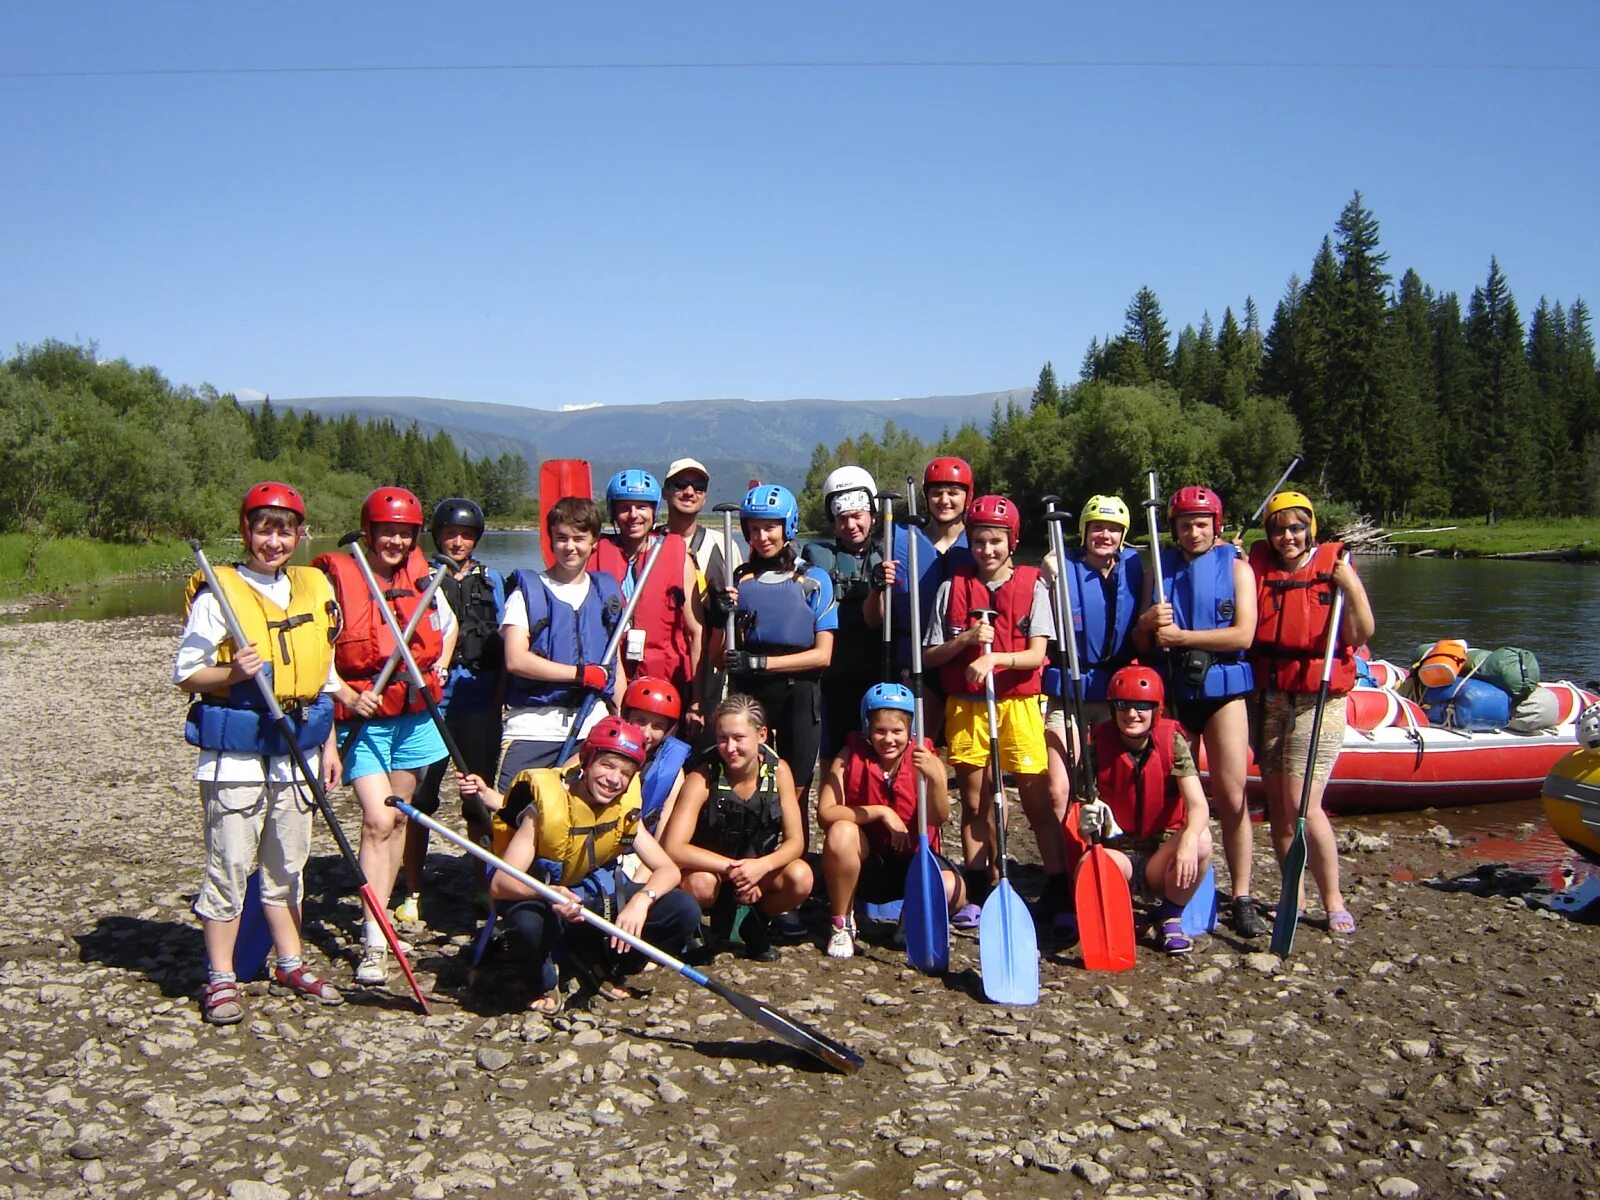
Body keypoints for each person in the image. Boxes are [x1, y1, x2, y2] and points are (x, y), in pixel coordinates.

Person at [176, 482, 349, 1024]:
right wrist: (234, 672)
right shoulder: (217, 595)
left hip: (296, 748)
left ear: (301, 535)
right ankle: (222, 976)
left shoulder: (312, 589)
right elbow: (187, 674)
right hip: (238, 756)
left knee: (288, 865)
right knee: (229, 865)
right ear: (247, 531)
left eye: (285, 531)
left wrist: (329, 743)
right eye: (264, 529)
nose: (274, 542)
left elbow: (324, 675)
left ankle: (289, 960)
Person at [458, 717, 700, 1012]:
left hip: (590, 899)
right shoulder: (545, 811)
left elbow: (668, 870)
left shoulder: (623, 808)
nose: (614, 779)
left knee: (683, 909)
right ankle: (540, 977)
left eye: (625, 773)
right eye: (607, 766)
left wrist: (641, 900)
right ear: (587, 762)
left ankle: (601, 960)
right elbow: (501, 883)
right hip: (545, 899)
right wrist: (549, 893)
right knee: (527, 925)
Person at [314, 486, 456, 985]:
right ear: (369, 531)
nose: (395, 541)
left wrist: (434, 666)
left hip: (413, 716)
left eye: (404, 533)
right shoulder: (336, 579)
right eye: (387, 531)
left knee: (398, 820)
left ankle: (384, 913)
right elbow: (319, 653)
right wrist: (347, 696)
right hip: (363, 716)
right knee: (377, 820)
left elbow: (447, 626)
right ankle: (374, 940)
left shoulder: (421, 577)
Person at [921, 494, 1061, 930]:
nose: (987, 550)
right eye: (980, 541)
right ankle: (982, 884)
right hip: (968, 706)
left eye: (996, 541)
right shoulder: (952, 588)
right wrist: (964, 643)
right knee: (977, 803)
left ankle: (1058, 886)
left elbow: (1037, 654)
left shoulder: (1031, 586)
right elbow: (930, 656)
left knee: (1037, 801)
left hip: (1017, 705)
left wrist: (995, 658)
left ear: (1012, 542)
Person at [1134, 486, 1264, 936]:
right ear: (1174, 528)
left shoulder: (1239, 568)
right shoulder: (1159, 569)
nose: (1193, 532)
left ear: (1216, 526)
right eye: (1185, 524)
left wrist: (1184, 639)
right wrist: (1149, 625)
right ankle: (1175, 884)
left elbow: (1243, 635)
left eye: (1201, 524)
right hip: (1175, 695)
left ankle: (1242, 892)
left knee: (1231, 797)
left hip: (1223, 692)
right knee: (1177, 800)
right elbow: (1140, 640)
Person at [1248, 491, 1375, 937]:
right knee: (1280, 808)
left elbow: (1360, 632)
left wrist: (1351, 585)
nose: (1287, 537)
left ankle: (1333, 899)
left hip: (1319, 699)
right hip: (1270, 695)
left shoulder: (1336, 567)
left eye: (1296, 528)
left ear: (1310, 530)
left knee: (1304, 804)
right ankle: (1293, 894)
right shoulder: (1259, 566)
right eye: (1280, 529)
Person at [400, 497, 506, 924]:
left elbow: (504, 637)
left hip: (479, 697)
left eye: (465, 535)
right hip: (431, 699)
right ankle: (412, 888)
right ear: (436, 535)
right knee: (421, 795)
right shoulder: (418, 577)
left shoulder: (492, 579)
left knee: (477, 795)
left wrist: (501, 694)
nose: (457, 541)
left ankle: (484, 884)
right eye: (449, 533)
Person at [1040, 493, 1144, 908]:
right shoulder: (1058, 568)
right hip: (1070, 692)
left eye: (1113, 529)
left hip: (1115, 695)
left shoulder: (1137, 569)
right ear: (1083, 532)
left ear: (1123, 535)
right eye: (1097, 527)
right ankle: (1063, 876)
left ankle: (1107, 865)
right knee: (1058, 790)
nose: (1104, 535)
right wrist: (1047, 577)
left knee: (1103, 788)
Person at [659, 694, 814, 960]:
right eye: (722, 738)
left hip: (757, 868)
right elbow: (673, 847)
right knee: (701, 884)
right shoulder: (703, 776)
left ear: (761, 735)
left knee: (801, 877)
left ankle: (756, 920)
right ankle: (693, 931)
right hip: (713, 871)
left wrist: (761, 867)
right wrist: (735, 871)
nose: (730, 748)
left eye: (739, 738)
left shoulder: (779, 773)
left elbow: (795, 841)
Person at [1074, 666, 1215, 956]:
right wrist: (1085, 825)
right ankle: (1116, 915)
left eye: (1142, 706)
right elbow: (1079, 824)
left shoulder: (1173, 743)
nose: (1132, 714)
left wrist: (1187, 840)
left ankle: (1170, 916)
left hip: (1160, 862)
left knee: (1201, 840)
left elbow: (1199, 805)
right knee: (1086, 865)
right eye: (1123, 706)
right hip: (1118, 858)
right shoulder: (1097, 748)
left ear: (1156, 710)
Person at [816, 682, 964, 958]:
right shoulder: (849, 756)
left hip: (913, 863)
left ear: (909, 732)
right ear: (868, 730)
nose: (889, 739)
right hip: (869, 864)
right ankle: (841, 924)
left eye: (897, 731)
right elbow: (825, 813)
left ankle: (912, 918)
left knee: (953, 887)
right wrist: (881, 812)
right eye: (880, 731)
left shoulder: (926, 758)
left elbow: (939, 817)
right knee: (841, 832)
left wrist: (935, 780)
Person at [714, 484, 837, 814]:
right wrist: (721, 614)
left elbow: (822, 655)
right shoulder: (738, 581)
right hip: (753, 695)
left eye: (770, 527)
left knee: (795, 789)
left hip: (799, 695)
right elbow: (719, 657)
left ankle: (794, 858)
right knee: (751, 783)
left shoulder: (814, 580)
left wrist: (759, 663)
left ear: (787, 526)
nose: (761, 536)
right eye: (753, 529)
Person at [498, 495, 623, 788]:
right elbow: (516, 659)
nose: (570, 547)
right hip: (533, 728)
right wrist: (579, 674)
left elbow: (615, 668)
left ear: (594, 542)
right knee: (513, 819)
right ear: (551, 540)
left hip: (591, 725)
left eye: (579, 539)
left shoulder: (607, 594)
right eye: (562, 538)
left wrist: (620, 717)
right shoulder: (526, 593)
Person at [591, 469, 705, 729]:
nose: (633, 515)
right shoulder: (594, 554)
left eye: (642, 507)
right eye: (625, 508)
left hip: (665, 683)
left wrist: (697, 702)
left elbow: (696, 631)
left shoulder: (678, 555)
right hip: (611, 682)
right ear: (613, 512)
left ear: (654, 512)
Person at [801, 465, 897, 759]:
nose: (851, 525)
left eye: (857, 516)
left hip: (876, 671)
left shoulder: (889, 555)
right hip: (833, 676)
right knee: (834, 753)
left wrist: (878, 587)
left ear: (872, 516)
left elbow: (874, 619)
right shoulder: (816, 557)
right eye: (842, 518)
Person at [889, 457, 975, 736]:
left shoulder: (981, 542)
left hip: (967, 664)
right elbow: (876, 615)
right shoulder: (902, 541)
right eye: (937, 492)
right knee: (916, 754)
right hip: (916, 664)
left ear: (967, 496)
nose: (944, 500)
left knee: (970, 759)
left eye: (953, 492)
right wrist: (880, 584)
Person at [621, 675, 694, 839]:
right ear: (626, 717)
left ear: (667, 731)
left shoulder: (674, 771)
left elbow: (662, 838)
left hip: (639, 852)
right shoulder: (599, 753)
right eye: (640, 721)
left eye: (657, 726)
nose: (646, 734)